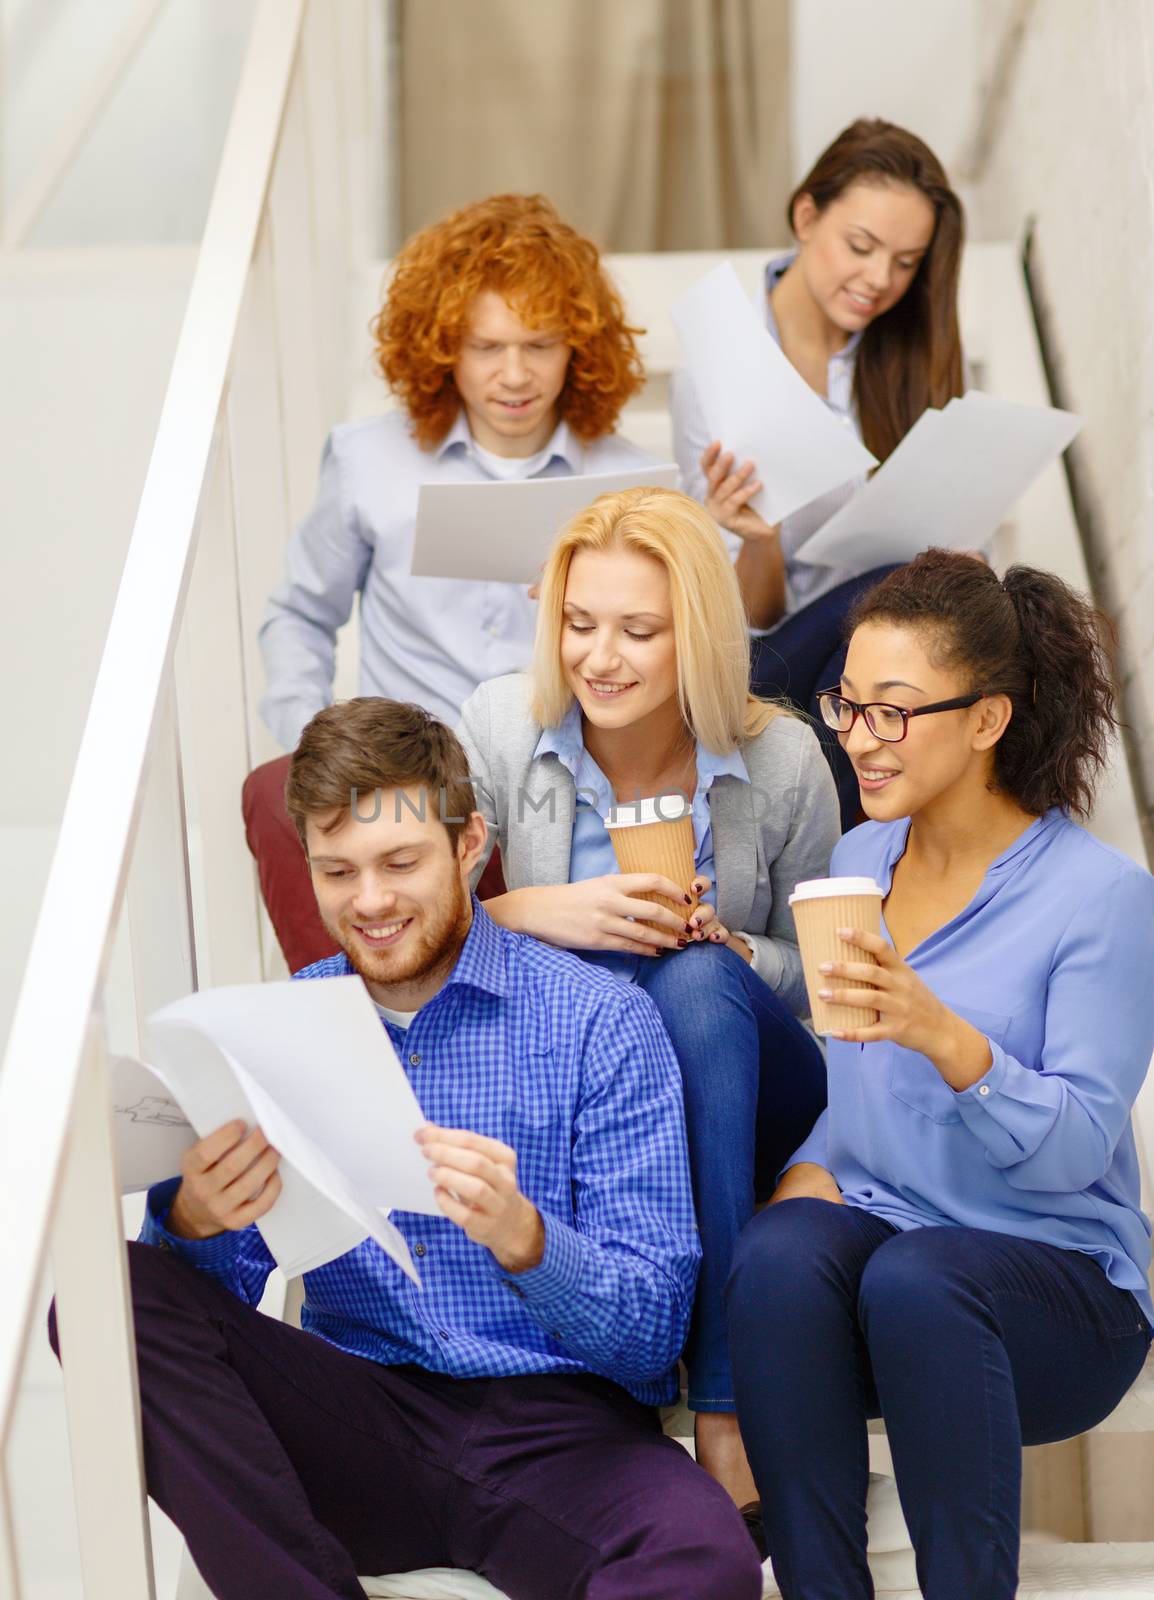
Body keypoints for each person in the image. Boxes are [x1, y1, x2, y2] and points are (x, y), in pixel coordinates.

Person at [78, 699, 761, 1600]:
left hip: (563, 1435)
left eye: (401, 862)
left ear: (470, 844)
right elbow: (206, 1333)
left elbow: (648, 1341)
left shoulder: (602, 1023)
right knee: (107, 1289)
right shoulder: (279, 1026)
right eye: (338, 872)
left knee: (707, 1564)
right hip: (361, 1418)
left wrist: (528, 1240)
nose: (370, 902)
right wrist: (197, 1223)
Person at [727, 550, 1154, 1599]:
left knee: (917, 1280)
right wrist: (805, 1175)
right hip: (891, 1265)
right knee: (779, 1251)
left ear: (986, 719)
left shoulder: (1100, 898)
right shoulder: (860, 865)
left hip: (1060, 1293)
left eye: (893, 711)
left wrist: (943, 1034)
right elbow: (855, 1098)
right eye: (848, 705)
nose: (857, 739)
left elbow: (1068, 1155)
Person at [456, 485, 840, 1506]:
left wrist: (735, 948)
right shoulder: (500, 725)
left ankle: (719, 1403)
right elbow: (419, 931)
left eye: (637, 630)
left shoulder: (784, 759)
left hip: (744, 1074)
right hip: (589, 1092)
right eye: (578, 624)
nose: (598, 657)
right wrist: (545, 909)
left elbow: (830, 980)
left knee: (703, 980)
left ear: (700, 636)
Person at [244, 192, 655, 971]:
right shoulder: (369, 461)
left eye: (540, 345)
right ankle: (353, 1030)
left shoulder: (631, 481)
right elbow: (299, 614)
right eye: (484, 346)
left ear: (578, 347)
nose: (513, 375)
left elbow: (681, 656)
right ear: (441, 350)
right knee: (278, 790)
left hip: (557, 787)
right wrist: (315, 742)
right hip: (401, 780)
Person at [671, 119, 965, 825]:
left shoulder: (907, 351)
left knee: (914, 635)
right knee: (871, 655)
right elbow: (748, 622)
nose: (878, 281)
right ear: (806, 216)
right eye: (860, 247)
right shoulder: (724, 362)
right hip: (780, 659)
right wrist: (758, 537)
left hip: (894, 653)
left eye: (905, 262)